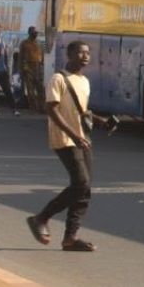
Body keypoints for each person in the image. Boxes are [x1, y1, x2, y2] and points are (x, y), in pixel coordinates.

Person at [26, 40, 112, 252]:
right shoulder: (58, 78)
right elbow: (52, 110)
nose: (85, 56)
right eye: (80, 52)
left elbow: (82, 111)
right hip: (64, 139)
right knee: (81, 182)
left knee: (84, 189)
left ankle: (70, 238)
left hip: (82, 138)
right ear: (70, 54)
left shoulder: (84, 81)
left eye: (87, 53)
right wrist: (73, 134)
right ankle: (40, 218)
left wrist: (101, 121)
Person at [17, 27, 44, 114]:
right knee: (30, 90)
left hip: (38, 67)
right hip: (28, 67)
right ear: (29, 33)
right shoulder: (24, 43)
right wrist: (22, 70)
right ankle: (34, 107)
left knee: (40, 89)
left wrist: (41, 67)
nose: (35, 34)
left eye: (36, 33)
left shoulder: (38, 43)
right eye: (33, 32)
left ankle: (42, 106)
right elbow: (21, 57)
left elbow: (41, 55)